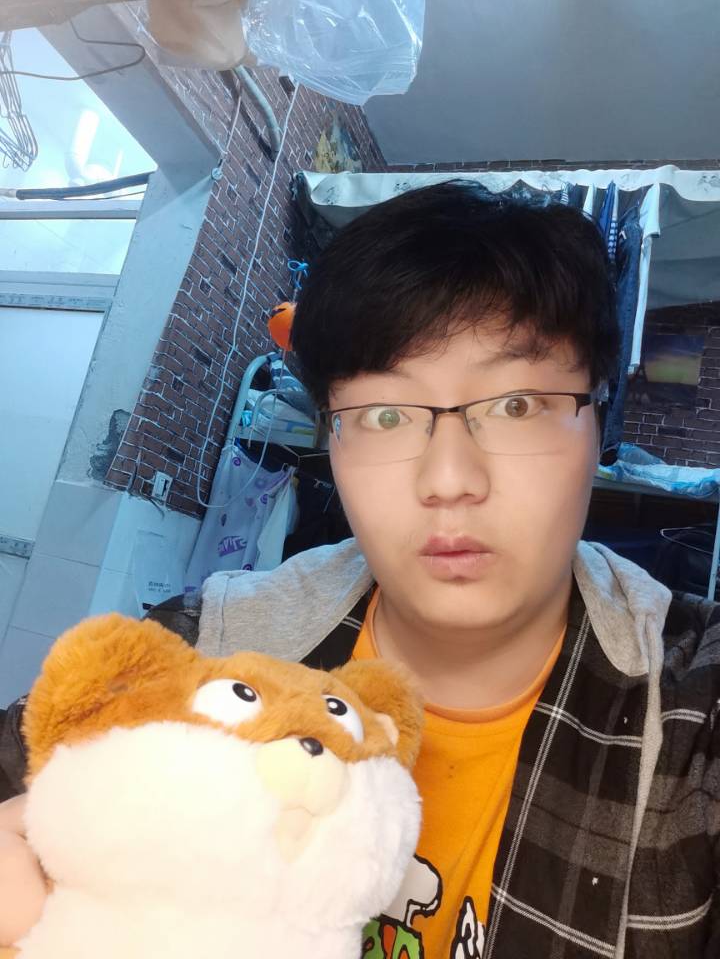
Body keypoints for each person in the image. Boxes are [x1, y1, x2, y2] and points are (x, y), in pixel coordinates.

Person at [1, 181, 718, 958]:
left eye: (516, 404)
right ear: (332, 442)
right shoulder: (205, 650)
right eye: (384, 414)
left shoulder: (690, 715)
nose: (449, 479)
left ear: (598, 423)